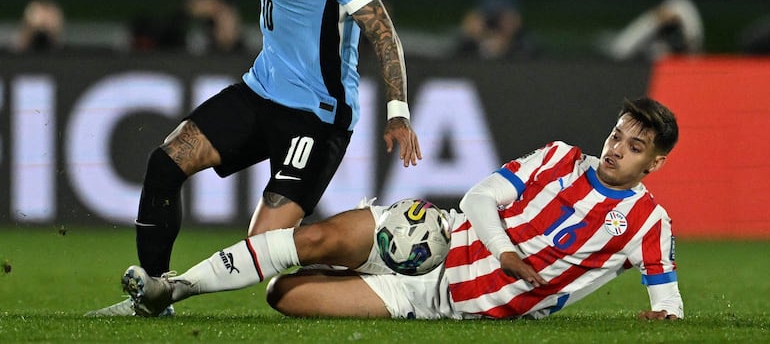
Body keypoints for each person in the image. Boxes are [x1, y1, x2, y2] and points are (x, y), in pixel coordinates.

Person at [86, 0, 421, 316]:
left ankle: (371, 252)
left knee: (260, 252)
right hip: (261, 91)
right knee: (166, 162)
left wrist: (397, 109)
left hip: (315, 116)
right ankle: (152, 297)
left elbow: (382, 30)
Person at [119, 97, 683, 321]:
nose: (616, 150)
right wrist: (506, 251)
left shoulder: (648, 224)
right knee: (312, 239)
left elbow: (669, 306)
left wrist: (662, 318)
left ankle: (330, 274)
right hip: (433, 234)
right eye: (616, 135)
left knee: (284, 296)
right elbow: (479, 197)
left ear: (653, 164)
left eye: (635, 147)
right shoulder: (559, 156)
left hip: (436, 298)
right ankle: (173, 288)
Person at [598, 0, 704, 61]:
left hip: (677, 49)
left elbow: (693, 42)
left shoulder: (683, 13)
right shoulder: (656, 22)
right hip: (628, 48)